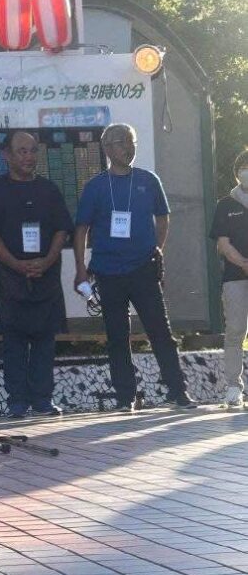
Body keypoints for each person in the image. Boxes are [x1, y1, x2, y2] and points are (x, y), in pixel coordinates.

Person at [74, 123, 196, 412]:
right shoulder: (95, 186)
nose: (128, 147)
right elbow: (81, 229)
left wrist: (157, 248)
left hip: (143, 269)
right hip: (107, 271)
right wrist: (80, 269)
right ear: (107, 148)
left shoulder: (148, 180)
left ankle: (178, 392)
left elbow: (163, 217)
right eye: (121, 142)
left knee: (160, 332)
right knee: (118, 336)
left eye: (132, 141)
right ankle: (125, 397)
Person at [0, 130, 73, 419]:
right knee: (14, 341)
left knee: (45, 340)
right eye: (22, 151)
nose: (29, 156)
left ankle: (43, 400)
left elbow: (62, 229)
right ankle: (17, 400)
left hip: (46, 276)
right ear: (7, 155)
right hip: (12, 278)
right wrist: (15, 263)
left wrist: (46, 260)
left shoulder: (49, 189)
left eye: (33, 151)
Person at [210, 148, 248, 408]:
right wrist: (244, 264)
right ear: (237, 174)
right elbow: (223, 244)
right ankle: (234, 388)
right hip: (235, 278)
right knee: (235, 330)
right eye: (244, 168)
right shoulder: (225, 204)